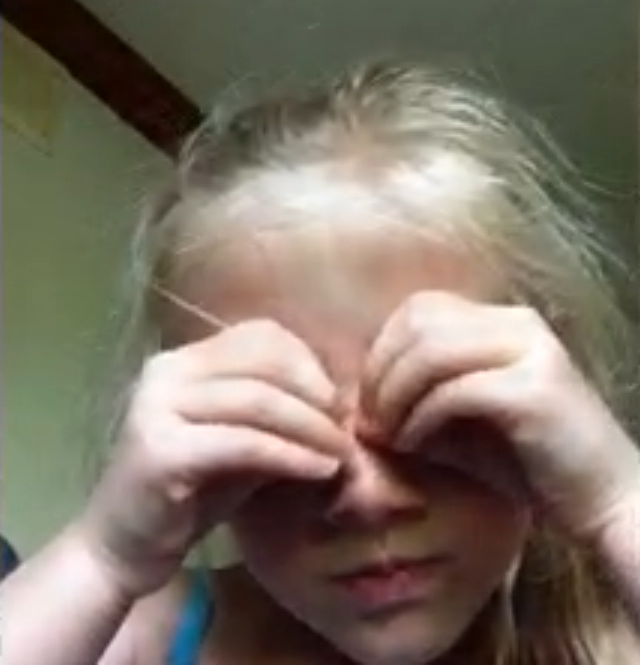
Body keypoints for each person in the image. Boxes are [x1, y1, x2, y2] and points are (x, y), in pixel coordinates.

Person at [3, 60, 639, 665]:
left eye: (445, 420)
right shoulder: (152, 631)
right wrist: (104, 557)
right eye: (269, 430)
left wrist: (615, 499)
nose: (367, 501)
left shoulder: (612, 638)